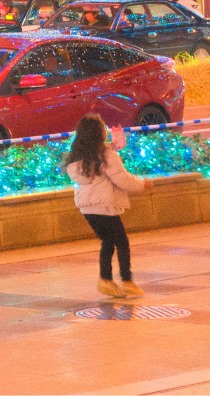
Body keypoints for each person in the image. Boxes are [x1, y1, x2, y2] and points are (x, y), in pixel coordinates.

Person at [65, 114, 150, 299]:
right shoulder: (105, 156)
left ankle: (106, 280)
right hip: (104, 206)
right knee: (122, 242)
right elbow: (122, 179)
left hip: (88, 209)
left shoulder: (76, 159)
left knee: (108, 242)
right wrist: (142, 185)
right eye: (103, 127)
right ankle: (127, 282)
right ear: (99, 134)